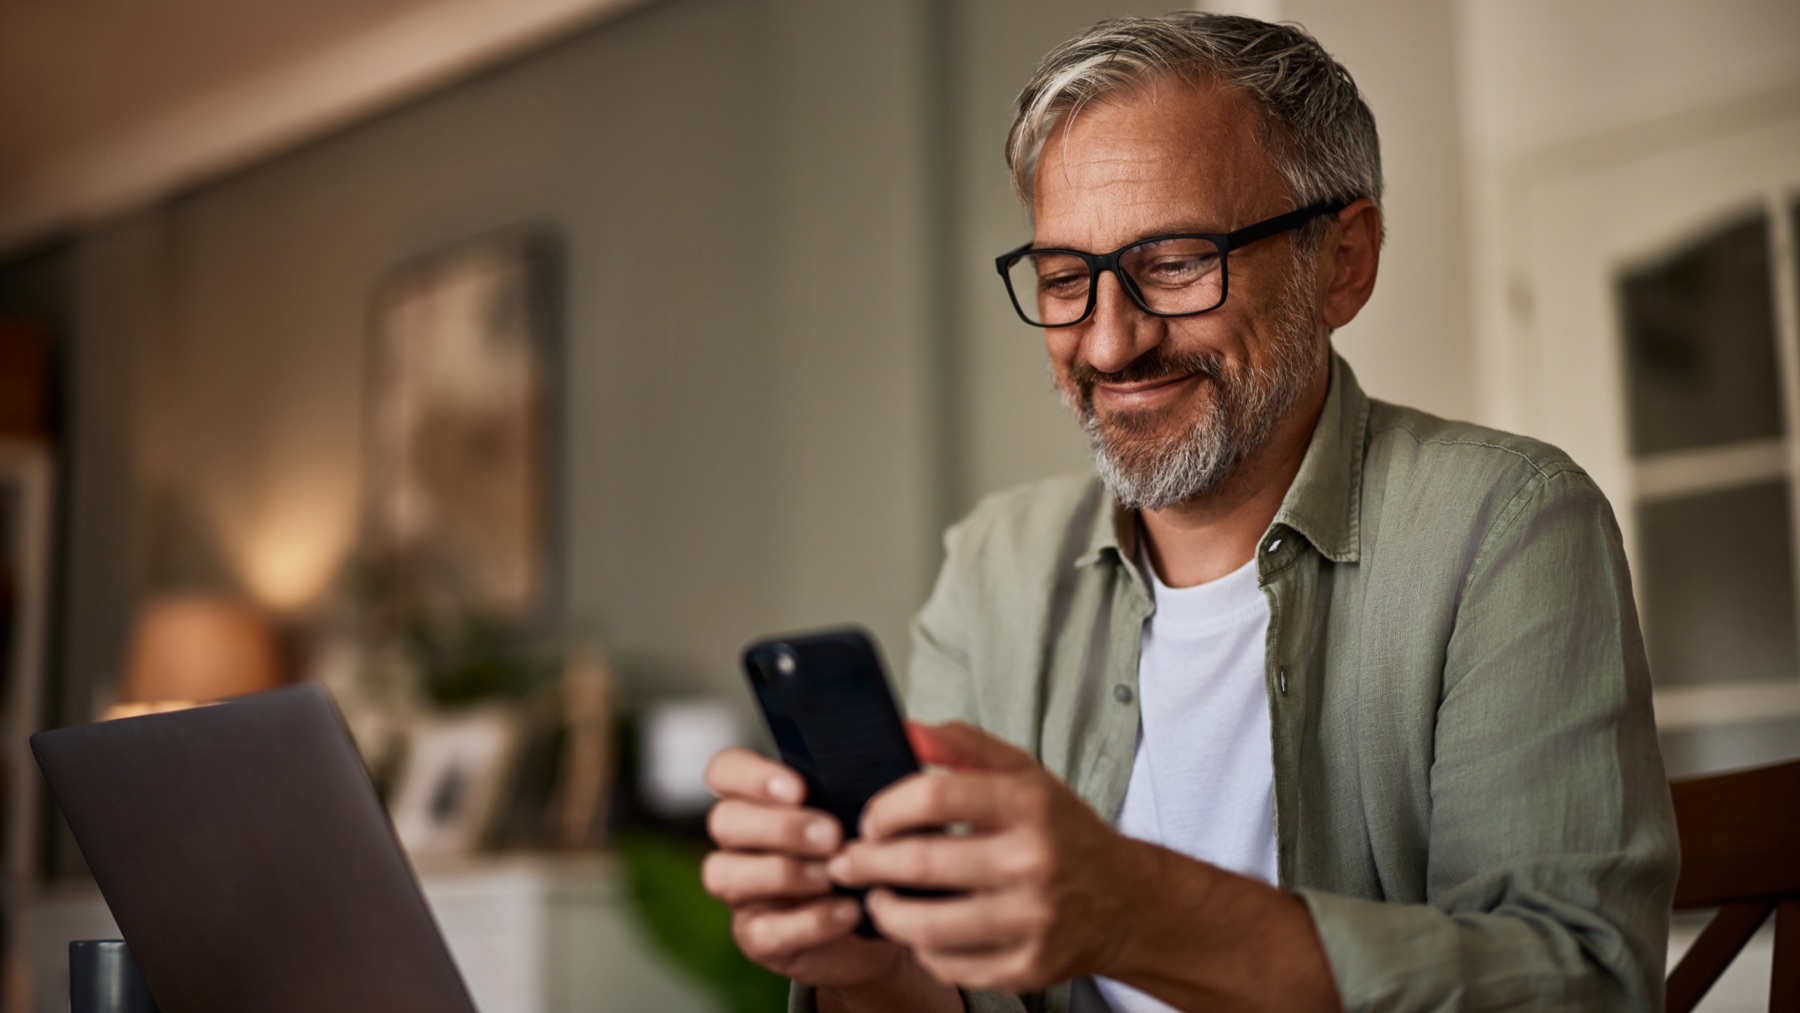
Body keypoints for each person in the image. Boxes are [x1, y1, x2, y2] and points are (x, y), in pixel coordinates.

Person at [702, 12, 1678, 1012]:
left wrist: (1134, 911)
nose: (1110, 342)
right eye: (1065, 279)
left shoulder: (1506, 526)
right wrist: (877, 968)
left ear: (1342, 261)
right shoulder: (994, 564)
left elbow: (1582, 988)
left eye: (1172, 262)